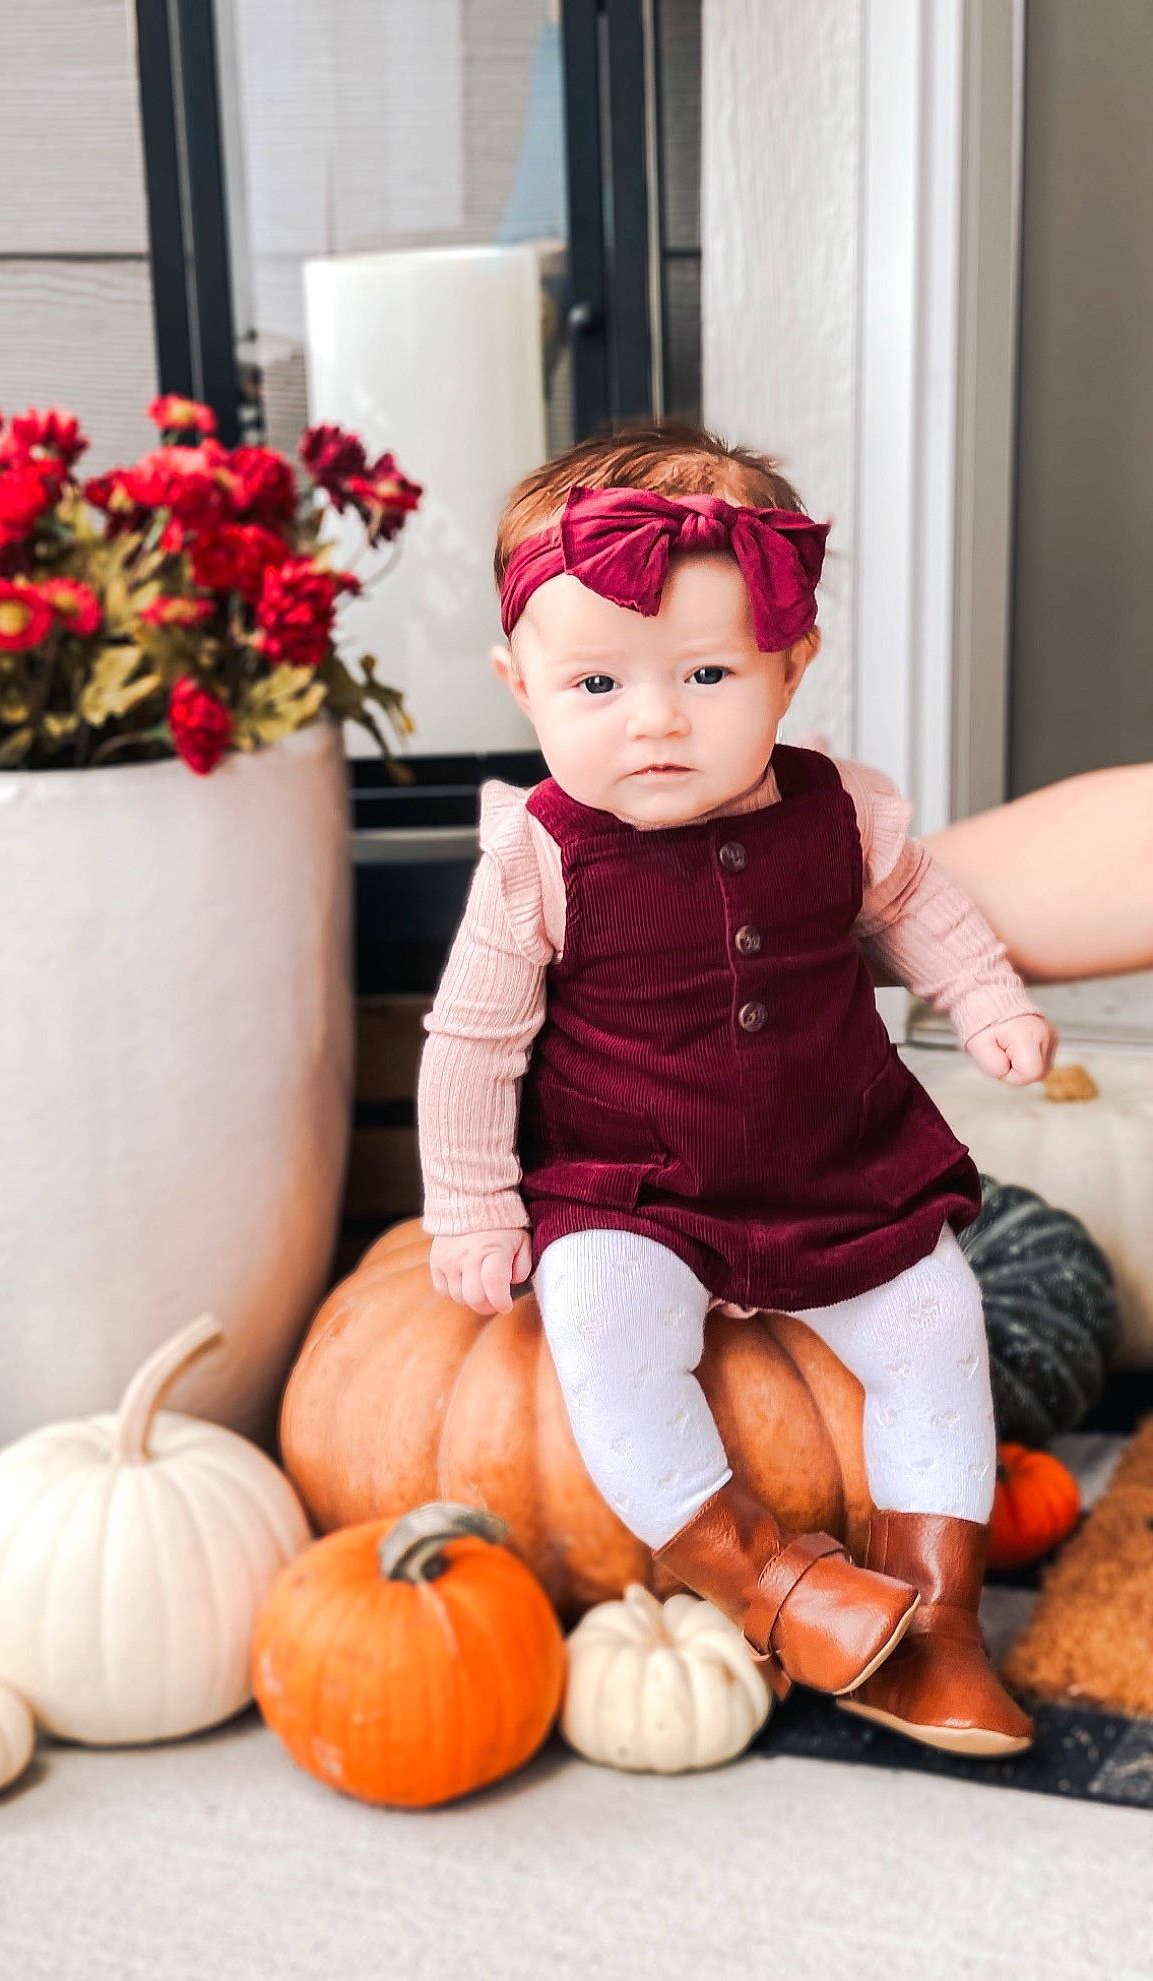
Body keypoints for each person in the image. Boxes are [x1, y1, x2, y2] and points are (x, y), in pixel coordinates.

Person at [417, 421, 1058, 1756]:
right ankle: (765, 1576)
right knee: (600, 1331)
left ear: (789, 666)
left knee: (938, 1320)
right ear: (522, 686)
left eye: (707, 673)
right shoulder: (537, 862)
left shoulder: (842, 812)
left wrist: (987, 997)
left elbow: (918, 908)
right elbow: (473, 1050)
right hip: (632, 1189)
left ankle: (939, 1626)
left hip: (842, 1169)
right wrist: (472, 1203)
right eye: (597, 683)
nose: (655, 718)